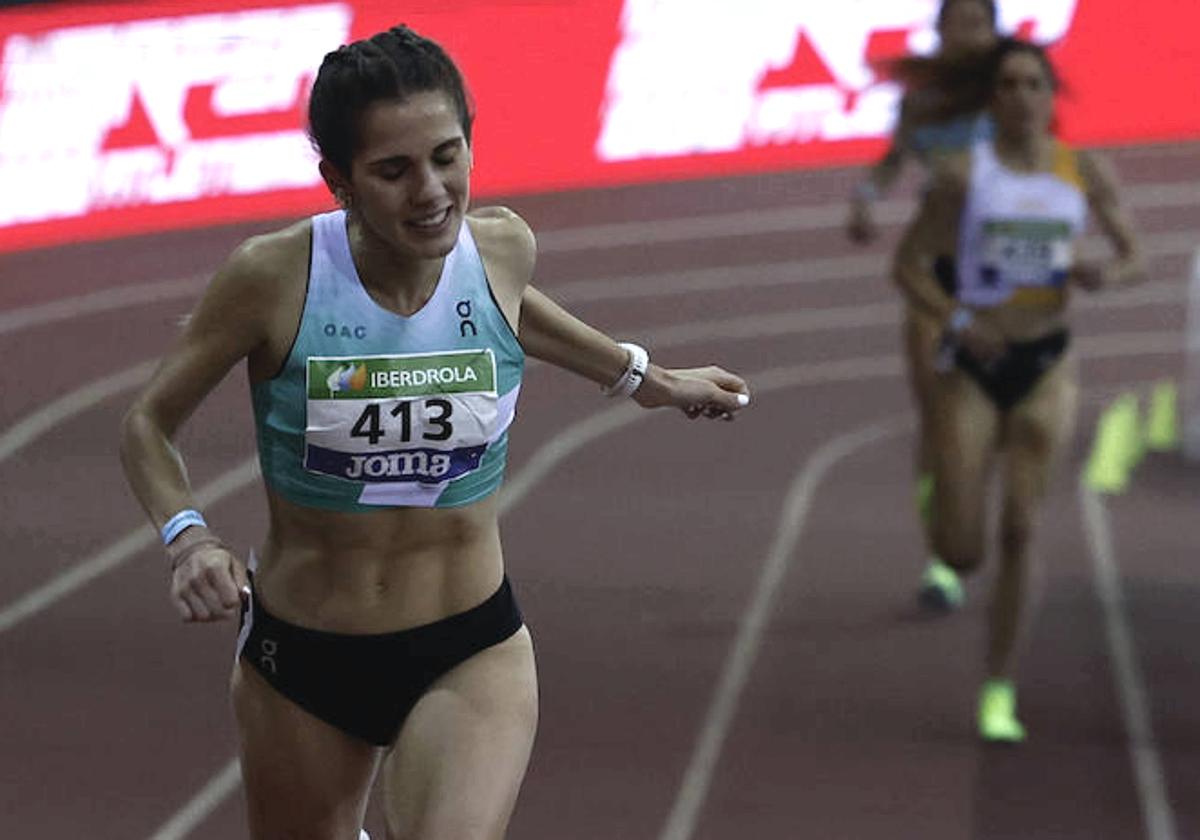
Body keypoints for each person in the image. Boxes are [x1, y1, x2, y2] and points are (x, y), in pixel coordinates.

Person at [118, 24, 750, 840]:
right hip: (304, 660)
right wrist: (188, 538)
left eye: (447, 157)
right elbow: (147, 424)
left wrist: (650, 380)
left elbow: (518, 317)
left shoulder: (502, 247)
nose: (430, 191)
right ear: (337, 180)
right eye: (393, 171)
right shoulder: (273, 278)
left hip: (468, 642)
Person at [893, 38, 1144, 742]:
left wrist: (1105, 274)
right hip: (974, 364)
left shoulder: (1082, 171)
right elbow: (909, 266)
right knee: (964, 549)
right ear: (992, 98)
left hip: (1045, 363)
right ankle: (937, 494)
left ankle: (998, 687)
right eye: (1008, 84)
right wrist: (959, 320)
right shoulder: (960, 176)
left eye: (1035, 84)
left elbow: (1135, 256)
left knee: (1023, 528)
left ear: (1051, 95)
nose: (1022, 96)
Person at [846, 0, 999, 612]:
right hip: (937, 269)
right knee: (938, 420)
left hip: (1000, 276)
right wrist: (863, 198)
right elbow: (890, 165)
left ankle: (977, 524)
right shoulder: (923, 103)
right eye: (957, 23)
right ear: (938, 33)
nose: (968, 35)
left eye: (979, 24)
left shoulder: (1010, 93)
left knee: (986, 421)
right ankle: (942, 557)